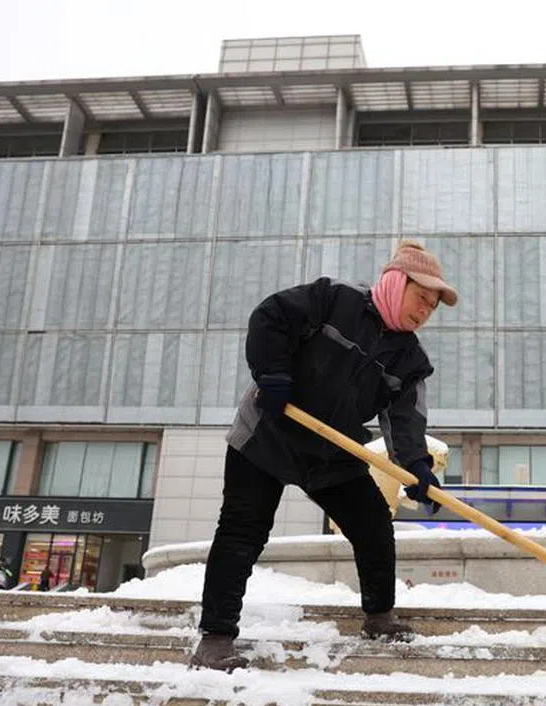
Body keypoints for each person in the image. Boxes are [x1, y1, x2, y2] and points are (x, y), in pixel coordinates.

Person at [190, 240, 458, 672]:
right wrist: (272, 372)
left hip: (332, 446)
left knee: (372, 525)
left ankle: (379, 617)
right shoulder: (335, 300)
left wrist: (417, 468)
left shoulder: (410, 359)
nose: (425, 310)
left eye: (432, 307)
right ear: (396, 283)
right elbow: (269, 317)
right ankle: (216, 639)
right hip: (268, 432)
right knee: (243, 531)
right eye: (421, 297)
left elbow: (405, 420)